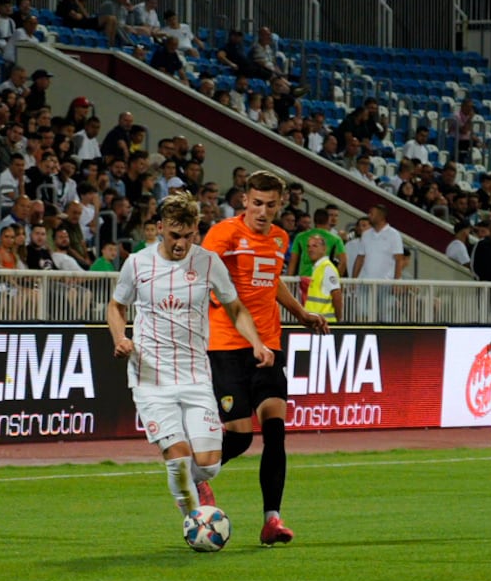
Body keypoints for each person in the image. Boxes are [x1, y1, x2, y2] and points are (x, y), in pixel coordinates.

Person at [107, 191, 273, 524]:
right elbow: (116, 306)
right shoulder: (137, 263)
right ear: (159, 228)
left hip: (196, 376)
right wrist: (120, 337)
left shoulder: (208, 262)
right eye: (174, 236)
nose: (181, 243)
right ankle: (195, 523)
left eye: (188, 235)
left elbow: (234, 306)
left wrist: (256, 341)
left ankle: (198, 486)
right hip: (151, 379)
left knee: (209, 464)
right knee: (178, 460)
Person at [201, 170, 328, 546]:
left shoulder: (279, 238)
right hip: (227, 344)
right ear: (244, 201)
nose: (263, 211)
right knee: (240, 438)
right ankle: (195, 472)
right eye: (257, 203)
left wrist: (302, 313)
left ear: (280, 205)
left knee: (275, 431)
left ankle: (272, 519)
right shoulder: (223, 235)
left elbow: (272, 284)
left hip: (269, 344)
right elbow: (204, 278)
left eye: (271, 205)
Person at [304, 233, 342, 324]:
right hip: (317, 323)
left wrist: (339, 321)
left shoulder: (327, 268)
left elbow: (336, 294)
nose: (310, 249)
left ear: (324, 249)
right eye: (309, 246)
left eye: (315, 246)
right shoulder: (319, 268)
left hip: (324, 324)